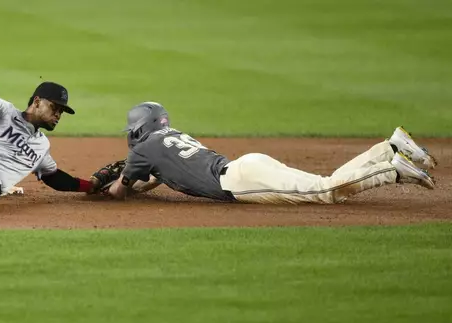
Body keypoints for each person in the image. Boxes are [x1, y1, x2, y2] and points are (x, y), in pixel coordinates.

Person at [101, 102, 437, 204]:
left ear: (138, 129)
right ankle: (390, 145)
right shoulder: (170, 138)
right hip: (247, 165)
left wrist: (110, 185)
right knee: (326, 183)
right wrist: (143, 179)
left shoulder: (142, 150)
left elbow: (120, 190)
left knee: (326, 192)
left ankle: (391, 169)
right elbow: (167, 175)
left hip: (240, 181)